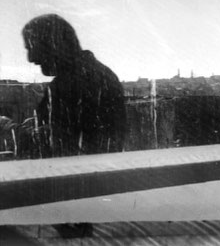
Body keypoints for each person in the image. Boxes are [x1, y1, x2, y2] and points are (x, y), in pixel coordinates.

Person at [1, 14, 127, 157]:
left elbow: (52, 146)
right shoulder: (95, 73)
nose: (30, 58)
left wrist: (7, 127)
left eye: (32, 47)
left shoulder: (72, 83)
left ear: (54, 44)